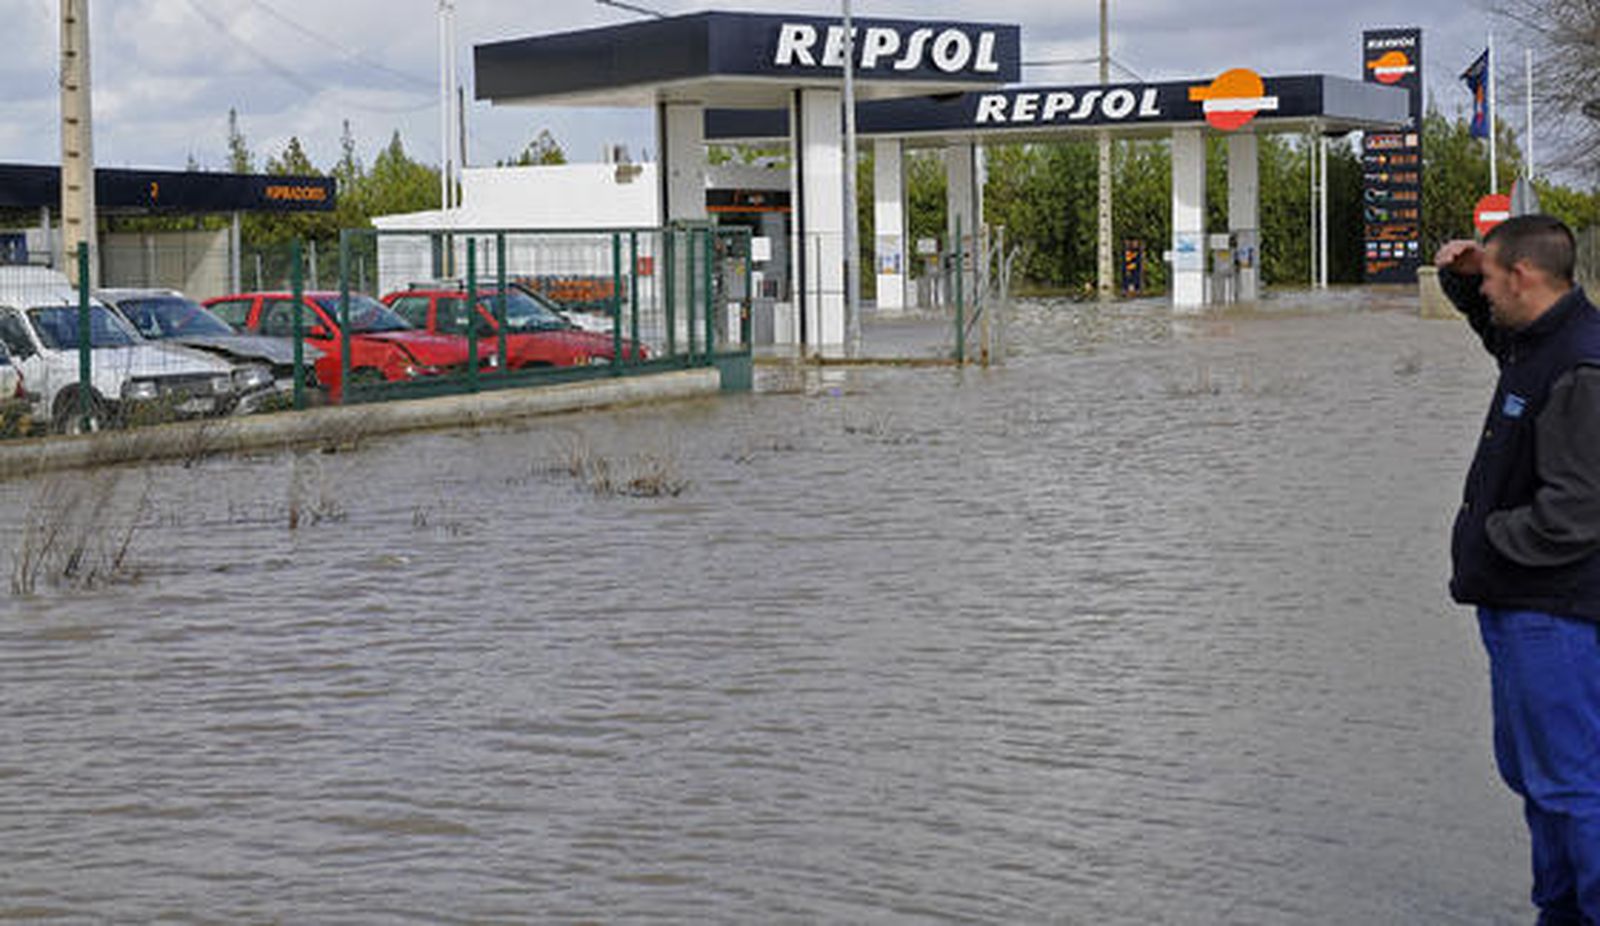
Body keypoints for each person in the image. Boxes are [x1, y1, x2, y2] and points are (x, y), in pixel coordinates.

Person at [1436, 214, 1600, 924]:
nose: (1488, 295)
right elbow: (1494, 326)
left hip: (1553, 610)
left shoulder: (1579, 365)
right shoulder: (1538, 342)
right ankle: (1556, 910)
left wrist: (1493, 539)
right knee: (1538, 779)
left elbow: (1578, 510)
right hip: (1523, 605)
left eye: (1495, 281)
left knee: (1572, 785)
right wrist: (1462, 273)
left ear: (1525, 277)